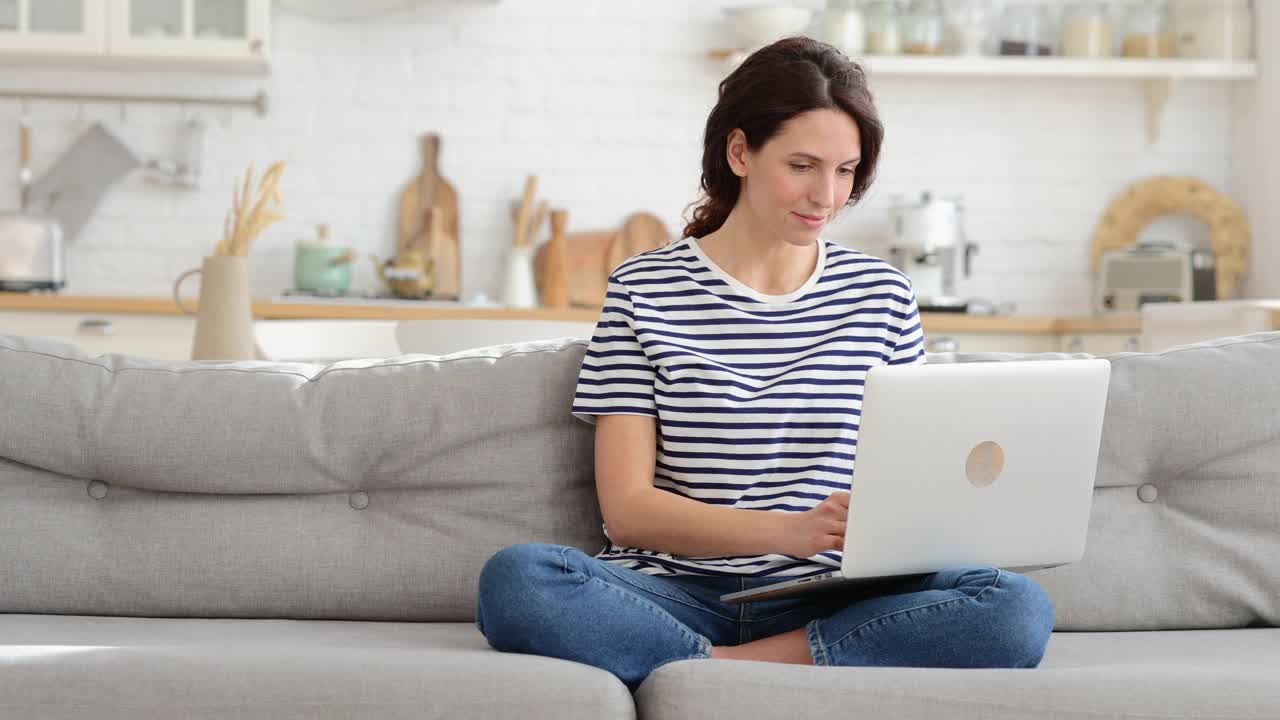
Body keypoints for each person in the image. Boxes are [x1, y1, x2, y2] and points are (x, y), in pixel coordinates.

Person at [474, 36, 1054, 692]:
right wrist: (790, 531)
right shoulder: (646, 289)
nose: (826, 196)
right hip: (678, 592)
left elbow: (915, 485)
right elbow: (628, 511)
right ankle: (765, 661)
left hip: (832, 595)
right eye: (802, 165)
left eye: (845, 170)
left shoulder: (883, 295)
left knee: (1015, 609)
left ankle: (714, 670)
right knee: (518, 582)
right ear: (741, 151)